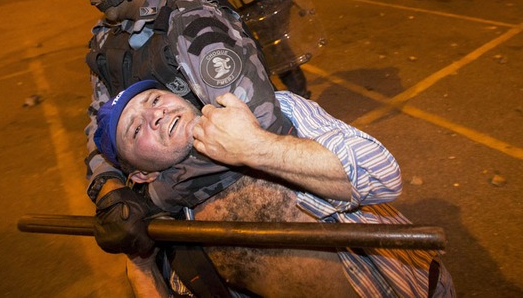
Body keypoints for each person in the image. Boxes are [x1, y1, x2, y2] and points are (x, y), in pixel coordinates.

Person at [65, 0, 294, 257]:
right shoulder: (107, 40)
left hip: (246, 202)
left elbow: (259, 128)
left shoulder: (192, 22)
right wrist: (110, 190)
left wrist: (153, 199)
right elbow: (100, 123)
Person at [95, 80, 456, 297]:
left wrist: (255, 146)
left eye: (154, 99)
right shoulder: (177, 233)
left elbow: (383, 176)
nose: (154, 115)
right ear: (141, 176)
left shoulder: (270, 113)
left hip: (421, 286)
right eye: (135, 129)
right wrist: (140, 268)